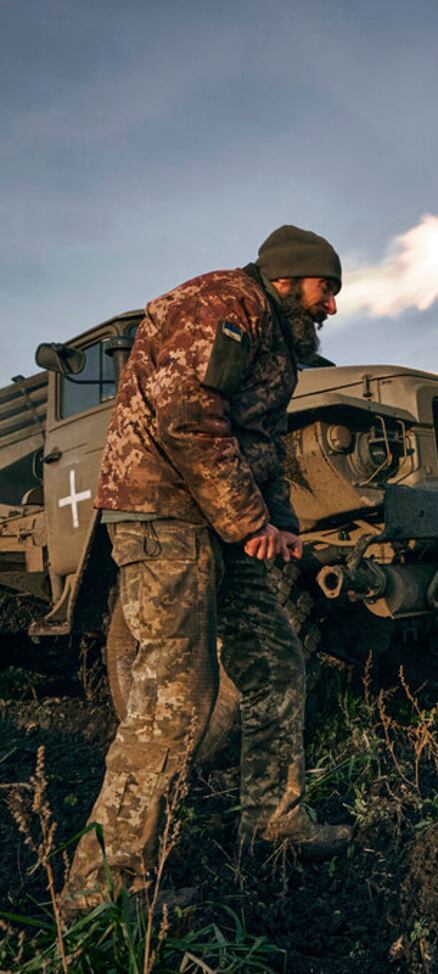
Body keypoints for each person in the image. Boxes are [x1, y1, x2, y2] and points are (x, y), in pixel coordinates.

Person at [62, 225, 351, 913]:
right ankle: (100, 888)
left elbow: (262, 444)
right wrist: (250, 522)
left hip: (220, 520)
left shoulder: (275, 339)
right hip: (164, 512)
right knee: (176, 694)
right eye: (326, 288)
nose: (333, 305)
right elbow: (188, 419)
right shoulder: (223, 306)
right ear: (288, 278)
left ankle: (274, 821)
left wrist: (279, 527)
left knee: (278, 664)